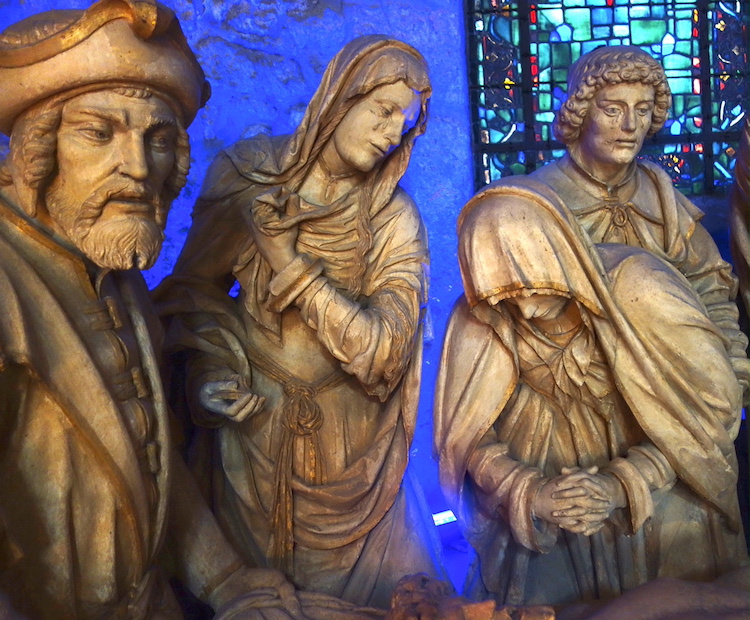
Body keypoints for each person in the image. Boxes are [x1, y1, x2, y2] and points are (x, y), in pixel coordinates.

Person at [0, 2, 340, 618]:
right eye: (97, 134)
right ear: (37, 150)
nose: (137, 167)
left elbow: (147, 455)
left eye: (157, 139)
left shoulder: (117, 278)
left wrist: (226, 580)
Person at [154, 36, 441, 608]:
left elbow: (384, 352)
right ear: (340, 98)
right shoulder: (249, 177)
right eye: (383, 111)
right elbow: (189, 295)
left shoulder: (394, 219)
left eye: (404, 126)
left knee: (399, 603)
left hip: (357, 457)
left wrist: (290, 264)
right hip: (248, 441)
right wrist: (204, 377)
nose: (391, 133)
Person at [434, 179, 748, 606]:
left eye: (532, 287)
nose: (524, 309)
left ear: (558, 252)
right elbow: (465, 440)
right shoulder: (481, 319)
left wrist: (625, 484)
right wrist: (529, 491)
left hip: (663, 495)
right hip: (550, 518)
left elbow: (713, 408)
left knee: (677, 604)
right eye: (506, 298)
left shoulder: (639, 287)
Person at [530, 45, 749, 388]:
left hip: (671, 371)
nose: (630, 125)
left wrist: (729, 359)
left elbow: (709, 284)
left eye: (643, 110)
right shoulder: (539, 200)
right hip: (575, 384)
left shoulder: (659, 192)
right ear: (581, 112)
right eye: (613, 109)